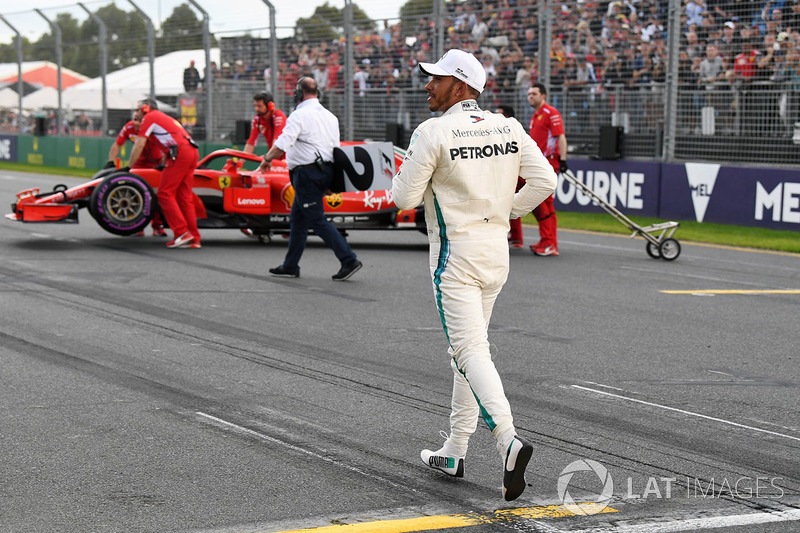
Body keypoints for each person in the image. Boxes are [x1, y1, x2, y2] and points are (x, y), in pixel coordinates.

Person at [391, 49, 557, 502]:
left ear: (461, 86)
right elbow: (546, 183)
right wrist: (505, 213)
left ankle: (507, 439)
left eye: (437, 79)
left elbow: (403, 198)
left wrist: (411, 174)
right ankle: (454, 449)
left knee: (468, 351)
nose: (428, 85)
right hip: (495, 253)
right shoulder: (509, 125)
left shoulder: (432, 131)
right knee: (466, 352)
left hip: (455, 258)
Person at [258, 77, 362, 281]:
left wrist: (266, 159)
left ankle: (348, 259)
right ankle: (290, 265)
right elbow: (336, 150)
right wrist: (333, 181)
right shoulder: (331, 116)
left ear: (299, 93)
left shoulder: (299, 115)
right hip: (324, 171)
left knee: (316, 219)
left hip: (307, 174)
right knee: (298, 219)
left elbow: (282, 143)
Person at [125, 99, 201, 249]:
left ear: (146, 109)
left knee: (164, 193)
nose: (136, 113)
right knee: (184, 197)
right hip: (191, 151)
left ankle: (181, 233)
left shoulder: (149, 117)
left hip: (180, 154)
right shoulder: (162, 117)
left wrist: (128, 168)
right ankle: (194, 238)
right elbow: (169, 139)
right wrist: (164, 162)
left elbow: (140, 143)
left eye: (137, 109)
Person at [104, 107, 168, 237]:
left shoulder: (152, 127)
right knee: (137, 196)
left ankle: (157, 226)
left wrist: (162, 165)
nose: (136, 123)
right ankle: (137, 226)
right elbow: (117, 144)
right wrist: (111, 161)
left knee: (158, 197)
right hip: (138, 166)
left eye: (139, 120)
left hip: (155, 165)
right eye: (134, 120)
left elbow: (167, 146)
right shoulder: (128, 128)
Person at [526, 83, 568, 256]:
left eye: (534, 93)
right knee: (539, 204)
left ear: (543, 95)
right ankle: (546, 241)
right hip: (537, 165)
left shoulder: (551, 113)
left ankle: (551, 244)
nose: (531, 96)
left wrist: (563, 159)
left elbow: (561, 136)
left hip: (549, 164)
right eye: (529, 94)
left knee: (546, 205)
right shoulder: (535, 116)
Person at [495, 104, 526, 249]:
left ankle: (548, 242)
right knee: (508, 204)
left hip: (517, 174)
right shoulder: (495, 133)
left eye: (499, 115)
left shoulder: (515, 132)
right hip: (505, 174)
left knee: (541, 212)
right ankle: (515, 237)